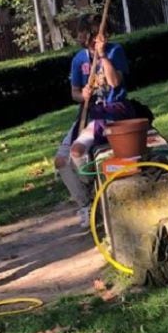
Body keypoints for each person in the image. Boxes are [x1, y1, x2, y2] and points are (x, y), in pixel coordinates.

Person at [53, 14, 132, 228]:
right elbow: (75, 93)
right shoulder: (79, 60)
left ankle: (92, 190)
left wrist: (103, 56)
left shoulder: (115, 51)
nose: (86, 38)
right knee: (61, 161)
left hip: (111, 111)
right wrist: (84, 95)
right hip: (87, 113)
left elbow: (115, 83)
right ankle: (85, 203)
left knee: (77, 151)